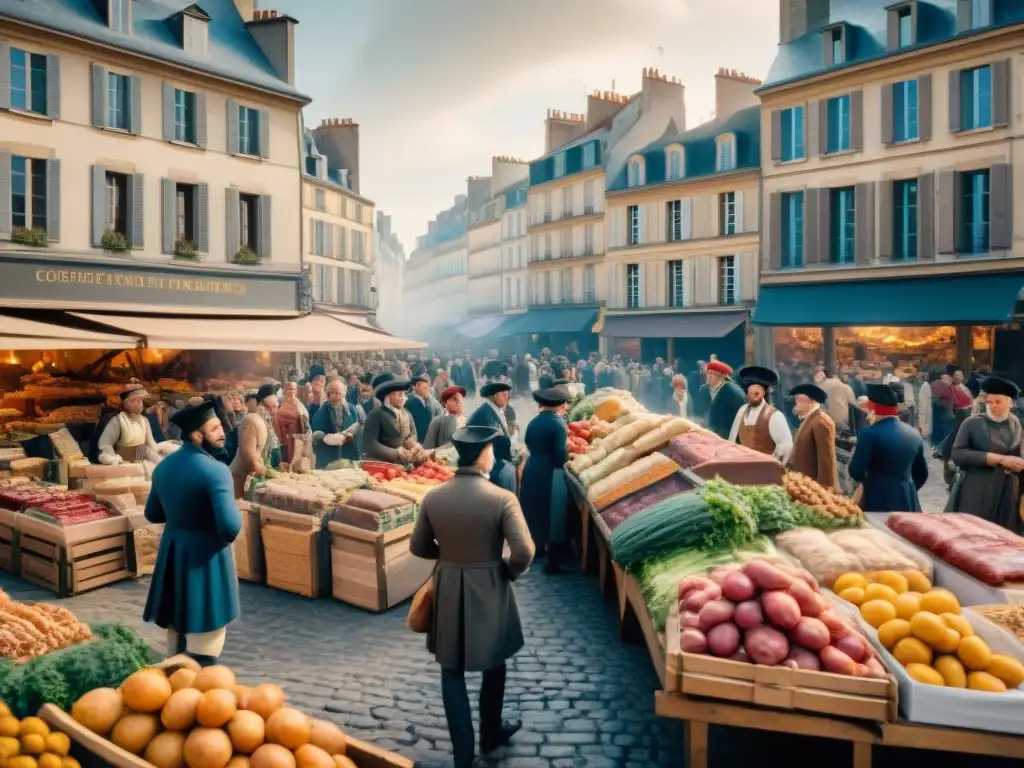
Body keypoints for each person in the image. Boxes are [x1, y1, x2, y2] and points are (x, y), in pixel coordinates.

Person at [409, 425, 535, 768]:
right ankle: (491, 733)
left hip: (448, 585)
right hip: (491, 586)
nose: (493, 456)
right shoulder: (501, 498)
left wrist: (450, 556)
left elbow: (418, 546)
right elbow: (524, 551)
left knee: (451, 671)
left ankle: (463, 757)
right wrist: (505, 570)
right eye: (491, 451)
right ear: (482, 455)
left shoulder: (435, 496)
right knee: (495, 663)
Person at [143, 400, 241, 667]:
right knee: (205, 641)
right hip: (206, 558)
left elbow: (153, 514)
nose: (222, 433)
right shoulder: (217, 471)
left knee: (176, 632)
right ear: (198, 435)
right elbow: (230, 526)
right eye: (215, 428)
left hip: (173, 552)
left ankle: (170, 688)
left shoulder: (163, 467)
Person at [945, 376, 1024, 533]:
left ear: (1010, 402)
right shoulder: (972, 423)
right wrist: (997, 459)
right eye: (990, 402)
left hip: (1008, 491)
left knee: (1005, 537)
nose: (993, 406)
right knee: (974, 534)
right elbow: (958, 454)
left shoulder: (1017, 423)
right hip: (977, 488)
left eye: (998, 402)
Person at [848, 384, 928, 512]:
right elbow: (922, 474)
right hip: (908, 499)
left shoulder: (868, 434)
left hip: (877, 499)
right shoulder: (913, 433)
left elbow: (856, 471)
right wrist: (907, 488)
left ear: (873, 410)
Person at [519, 386, 572, 574]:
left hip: (534, 468)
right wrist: (569, 461)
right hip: (552, 472)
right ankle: (553, 563)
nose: (566, 406)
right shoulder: (558, 424)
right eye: (565, 403)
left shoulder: (535, 421)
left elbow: (527, 442)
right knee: (555, 513)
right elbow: (560, 454)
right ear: (558, 405)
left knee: (536, 511)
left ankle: (537, 550)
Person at [728, 366, 793, 463]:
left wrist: (771, 463)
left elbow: (785, 446)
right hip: (743, 467)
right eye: (750, 393)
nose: (753, 396)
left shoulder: (775, 415)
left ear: (764, 393)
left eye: (756, 393)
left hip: (765, 470)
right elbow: (732, 441)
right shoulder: (742, 411)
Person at [362, 373, 429, 465]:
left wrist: (411, 444)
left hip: (406, 459)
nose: (403, 398)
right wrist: (396, 453)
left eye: (403, 395)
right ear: (388, 397)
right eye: (399, 395)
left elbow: (413, 433)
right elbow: (371, 444)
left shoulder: (407, 413)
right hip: (383, 462)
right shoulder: (376, 414)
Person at [466, 381, 517, 492]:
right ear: (494, 396)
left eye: (507, 394)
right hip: (487, 464)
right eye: (503, 394)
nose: (507, 397)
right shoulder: (485, 414)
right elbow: (494, 440)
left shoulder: (492, 410)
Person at [97, 386, 163, 467]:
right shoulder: (118, 420)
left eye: (140, 401)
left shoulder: (144, 420)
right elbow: (105, 443)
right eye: (134, 401)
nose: (139, 403)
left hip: (141, 456)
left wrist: (157, 451)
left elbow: (150, 441)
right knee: (145, 450)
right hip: (122, 456)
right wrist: (112, 458)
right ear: (126, 404)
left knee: (150, 451)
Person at [229, 384, 275, 499]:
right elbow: (247, 452)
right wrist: (259, 469)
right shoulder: (251, 420)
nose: (275, 411)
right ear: (262, 405)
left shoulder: (267, 421)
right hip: (241, 477)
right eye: (272, 407)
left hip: (253, 477)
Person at [788, 383, 837, 488]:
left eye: (799, 399)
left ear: (812, 401)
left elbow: (826, 461)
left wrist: (825, 491)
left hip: (812, 488)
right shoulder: (810, 420)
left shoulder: (821, 422)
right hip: (803, 485)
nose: (796, 402)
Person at [310, 379, 365, 468]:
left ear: (343, 394)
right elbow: (316, 432)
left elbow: (356, 427)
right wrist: (326, 437)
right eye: (332, 393)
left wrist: (351, 436)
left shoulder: (351, 409)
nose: (335, 396)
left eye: (339, 393)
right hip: (328, 455)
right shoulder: (322, 411)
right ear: (328, 394)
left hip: (348, 453)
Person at [705, 361, 745, 440]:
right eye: (708, 373)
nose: (708, 377)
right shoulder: (721, 389)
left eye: (712, 374)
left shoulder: (730, 392)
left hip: (729, 438)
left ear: (721, 377)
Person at [274, 381, 311, 465]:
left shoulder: (300, 406)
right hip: (285, 440)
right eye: (288, 389)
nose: (291, 392)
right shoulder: (280, 407)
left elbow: (306, 423)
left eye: (293, 389)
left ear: (296, 391)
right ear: (283, 392)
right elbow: (277, 424)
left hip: (299, 439)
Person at [406, 374, 443, 444]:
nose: (428, 390)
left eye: (428, 387)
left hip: (433, 434)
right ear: (416, 387)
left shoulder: (430, 398)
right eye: (425, 388)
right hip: (419, 438)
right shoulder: (409, 402)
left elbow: (439, 409)